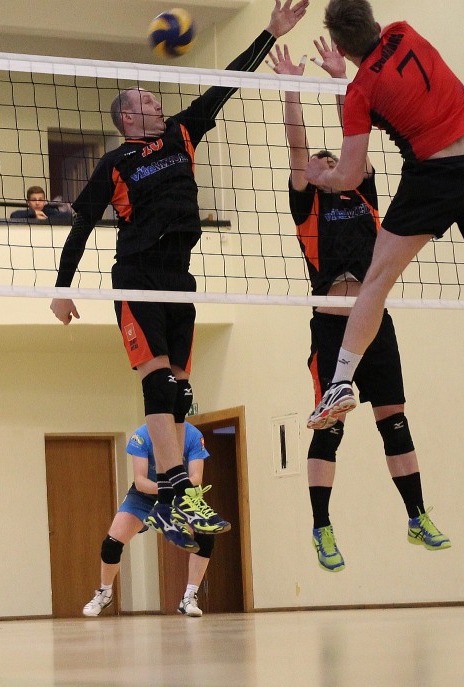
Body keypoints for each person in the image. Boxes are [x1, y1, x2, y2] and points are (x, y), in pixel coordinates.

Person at [50, 0, 308, 551]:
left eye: (155, 97)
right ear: (126, 118)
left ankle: (170, 499)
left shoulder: (181, 132)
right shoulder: (114, 164)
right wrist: (62, 288)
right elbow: (82, 224)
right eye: (146, 100)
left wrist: (269, 32)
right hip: (137, 276)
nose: (156, 102)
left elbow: (228, 82)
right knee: (160, 382)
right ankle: (175, 495)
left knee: (181, 392)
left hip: (178, 277)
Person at [305, 0, 464, 431]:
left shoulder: (361, 92)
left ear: (340, 49)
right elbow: (376, 46)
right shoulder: (404, 31)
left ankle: (340, 382)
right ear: (375, 21)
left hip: (433, 177)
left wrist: (321, 178)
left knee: (376, 281)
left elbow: (350, 175)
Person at [271, 41, 450, 572]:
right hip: (331, 327)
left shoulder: (362, 192)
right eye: (319, 161)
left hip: (375, 323)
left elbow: (355, 135)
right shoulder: (307, 205)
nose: (326, 162)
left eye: (333, 160)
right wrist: (291, 90)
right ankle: (322, 527)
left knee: (394, 420)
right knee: (331, 427)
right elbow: (297, 147)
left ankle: (417, 516)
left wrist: (339, 79)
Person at [83, 422, 215, 618]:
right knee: (111, 543)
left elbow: (196, 477)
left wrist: (173, 491)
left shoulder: (193, 435)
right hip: (145, 495)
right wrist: (164, 489)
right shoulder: (142, 435)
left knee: (205, 534)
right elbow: (140, 481)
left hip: (180, 495)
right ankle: (105, 592)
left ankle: (189, 596)